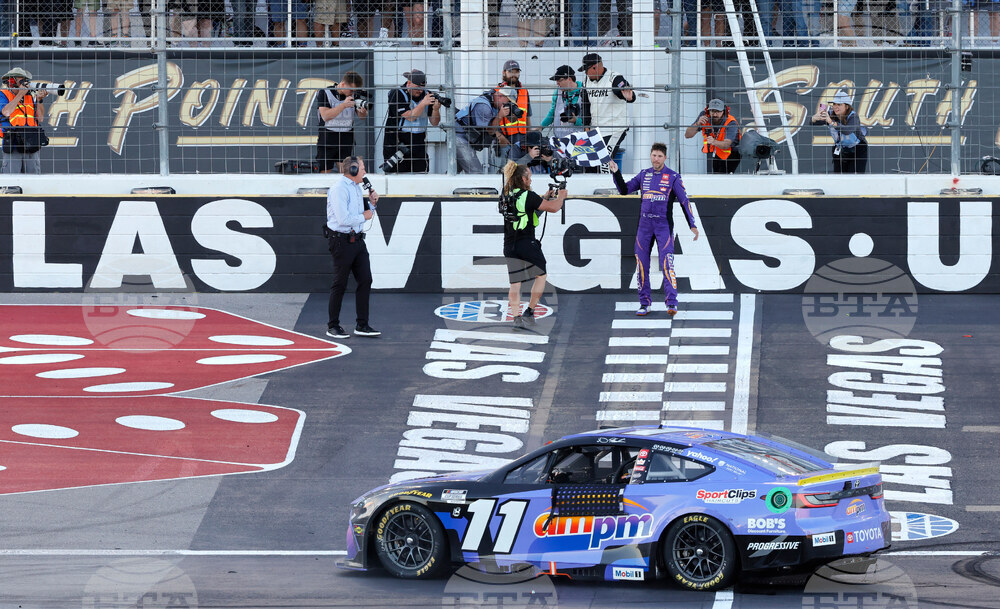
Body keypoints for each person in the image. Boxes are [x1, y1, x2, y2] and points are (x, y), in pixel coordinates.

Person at [609, 143, 699, 317]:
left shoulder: (673, 177)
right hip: (644, 227)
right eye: (653, 155)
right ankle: (644, 303)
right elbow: (624, 190)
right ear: (650, 156)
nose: (656, 159)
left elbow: (684, 201)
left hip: (663, 226)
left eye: (659, 156)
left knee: (667, 264)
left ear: (665, 158)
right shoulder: (644, 174)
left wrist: (692, 224)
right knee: (642, 266)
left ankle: (671, 303)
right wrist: (616, 172)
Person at [500, 160, 566, 328]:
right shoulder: (528, 195)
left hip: (509, 245)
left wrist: (543, 197)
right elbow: (554, 208)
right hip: (527, 243)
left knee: (515, 283)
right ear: (523, 179)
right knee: (541, 275)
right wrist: (561, 196)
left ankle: (516, 319)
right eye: (529, 177)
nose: (531, 180)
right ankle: (529, 311)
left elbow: (526, 210)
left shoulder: (505, 195)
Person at [325, 156, 381, 339]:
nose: (365, 172)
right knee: (339, 283)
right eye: (363, 168)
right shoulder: (339, 189)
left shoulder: (357, 188)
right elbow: (343, 219)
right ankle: (333, 325)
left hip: (357, 240)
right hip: (341, 240)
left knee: (366, 280)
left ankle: (362, 324)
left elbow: (363, 214)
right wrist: (365, 215)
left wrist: (372, 205)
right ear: (354, 170)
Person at [579, 53, 634, 170]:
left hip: (615, 128)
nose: (585, 73)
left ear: (595, 67)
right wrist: (586, 126)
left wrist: (629, 97)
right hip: (596, 129)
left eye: (586, 70)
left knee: (604, 163)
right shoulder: (586, 81)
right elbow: (585, 106)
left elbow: (624, 90)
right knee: (587, 163)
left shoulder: (614, 78)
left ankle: (607, 187)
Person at [383, 69, 442, 173]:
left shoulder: (426, 94)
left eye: (422, 88)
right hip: (398, 142)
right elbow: (410, 117)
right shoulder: (396, 93)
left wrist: (436, 109)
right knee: (397, 177)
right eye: (417, 88)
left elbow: (434, 122)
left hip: (419, 142)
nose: (420, 91)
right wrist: (423, 103)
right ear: (409, 83)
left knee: (421, 174)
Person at [316, 71, 369, 173]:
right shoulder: (325, 92)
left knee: (346, 172)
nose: (352, 93)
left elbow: (362, 118)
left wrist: (363, 112)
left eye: (354, 90)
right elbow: (325, 116)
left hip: (346, 136)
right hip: (328, 135)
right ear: (343, 84)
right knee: (324, 171)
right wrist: (343, 105)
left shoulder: (354, 95)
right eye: (350, 90)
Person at [1, 67, 49, 174]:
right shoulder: (3, 94)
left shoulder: (29, 97)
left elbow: (40, 118)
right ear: (11, 81)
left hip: (31, 143)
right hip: (13, 144)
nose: (25, 83)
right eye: (21, 80)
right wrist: (20, 94)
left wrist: (39, 100)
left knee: (34, 179)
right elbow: (6, 112)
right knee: (11, 181)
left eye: (25, 80)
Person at [455, 87, 514, 174]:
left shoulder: (491, 100)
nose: (507, 105)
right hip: (458, 137)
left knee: (454, 170)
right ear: (500, 95)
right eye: (508, 102)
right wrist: (500, 115)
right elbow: (490, 131)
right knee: (476, 172)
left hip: (463, 136)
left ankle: (441, 186)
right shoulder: (484, 107)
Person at [811, 89, 868, 173]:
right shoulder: (830, 114)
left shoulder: (853, 116)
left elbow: (847, 130)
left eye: (839, 104)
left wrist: (831, 122)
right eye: (834, 104)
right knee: (839, 177)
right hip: (840, 148)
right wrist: (814, 119)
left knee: (855, 178)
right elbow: (812, 123)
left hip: (858, 149)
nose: (835, 107)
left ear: (847, 106)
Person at [684, 98, 741, 174]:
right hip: (717, 151)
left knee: (725, 177)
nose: (714, 114)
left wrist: (714, 141)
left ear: (723, 111)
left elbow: (726, 144)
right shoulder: (704, 116)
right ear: (708, 111)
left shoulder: (731, 122)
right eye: (712, 111)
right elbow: (688, 135)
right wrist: (697, 124)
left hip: (731, 153)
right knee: (716, 176)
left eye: (718, 111)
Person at [496, 60, 531, 163]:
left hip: (522, 140)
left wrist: (529, 138)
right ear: (504, 73)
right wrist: (499, 136)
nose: (514, 75)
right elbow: (490, 118)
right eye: (511, 72)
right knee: (506, 171)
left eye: (516, 72)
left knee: (522, 170)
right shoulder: (497, 91)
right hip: (505, 140)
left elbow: (528, 117)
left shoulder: (524, 91)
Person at [541, 64, 583, 138]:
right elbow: (552, 113)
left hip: (579, 141)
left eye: (559, 80)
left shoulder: (584, 92)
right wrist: (540, 127)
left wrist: (576, 121)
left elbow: (592, 119)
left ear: (569, 79)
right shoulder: (557, 93)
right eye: (556, 81)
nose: (557, 83)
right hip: (560, 141)